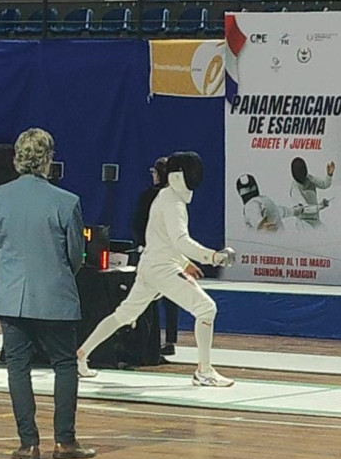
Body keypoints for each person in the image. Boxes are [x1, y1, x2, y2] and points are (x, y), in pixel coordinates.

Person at [0, 127, 97, 459]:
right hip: (55, 295)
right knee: (64, 365)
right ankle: (65, 441)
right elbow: (77, 255)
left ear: (17, 158)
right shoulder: (67, 202)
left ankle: (28, 444)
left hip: (11, 296)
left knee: (18, 367)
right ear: (48, 160)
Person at [77, 151, 236, 387]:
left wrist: (184, 263)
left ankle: (81, 355)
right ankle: (204, 371)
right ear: (178, 176)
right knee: (206, 309)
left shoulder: (166, 198)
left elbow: (163, 240)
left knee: (125, 314)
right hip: (161, 269)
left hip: (152, 265)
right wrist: (212, 257)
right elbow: (180, 240)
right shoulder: (172, 203)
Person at [132, 156, 181, 357]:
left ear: (159, 174)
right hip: (170, 253)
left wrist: (142, 244)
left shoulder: (149, 196)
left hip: (152, 253)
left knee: (146, 296)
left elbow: (137, 224)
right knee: (170, 298)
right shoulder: (176, 197)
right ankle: (169, 340)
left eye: (154, 172)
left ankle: (147, 338)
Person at [237, 173, 325, 232]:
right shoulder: (251, 205)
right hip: (267, 245)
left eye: (251, 188)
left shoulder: (263, 200)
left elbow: (280, 211)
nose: (250, 191)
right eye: (247, 189)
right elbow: (254, 217)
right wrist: (261, 226)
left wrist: (298, 210)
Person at [289, 157, 335, 227]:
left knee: (326, 233)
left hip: (315, 219)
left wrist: (329, 175)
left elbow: (324, 184)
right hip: (303, 221)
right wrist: (320, 206)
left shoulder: (309, 178)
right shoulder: (294, 189)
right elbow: (304, 208)